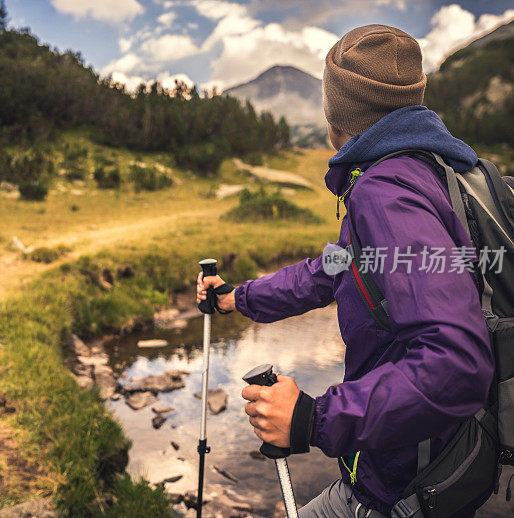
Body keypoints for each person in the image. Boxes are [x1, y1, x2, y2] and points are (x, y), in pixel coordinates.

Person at [196, 25, 493, 517]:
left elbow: (456, 364)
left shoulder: (386, 193)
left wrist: (313, 420)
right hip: (447, 460)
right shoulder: (433, 170)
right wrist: (236, 298)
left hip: (400, 485)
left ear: (338, 115)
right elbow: (329, 271)